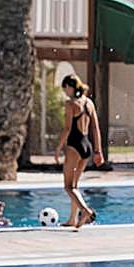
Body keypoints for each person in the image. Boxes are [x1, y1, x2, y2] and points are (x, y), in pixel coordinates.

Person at [56, 74, 104, 229]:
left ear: (70, 87)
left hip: (74, 146)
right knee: (75, 185)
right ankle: (72, 219)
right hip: (87, 146)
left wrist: (58, 148)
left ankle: (85, 211)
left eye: (65, 89)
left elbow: (68, 128)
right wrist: (98, 151)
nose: (65, 92)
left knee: (68, 187)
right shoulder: (88, 103)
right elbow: (95, 129)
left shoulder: (71, 104)